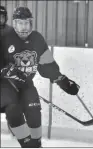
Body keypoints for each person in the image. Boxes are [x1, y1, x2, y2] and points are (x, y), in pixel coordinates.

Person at [0, 6, 80, 148]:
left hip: (26, 84)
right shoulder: (5, 38)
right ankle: (27, 145)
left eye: (26, 23)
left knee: (34, 109)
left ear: (31, 23)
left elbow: (47, 65)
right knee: (13, 109)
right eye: (20, 23)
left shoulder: (37, 39)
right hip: (6, 86)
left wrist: (62, 80)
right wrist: (6, 70)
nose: (23, 28)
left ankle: (36, 144)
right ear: (14, 24)